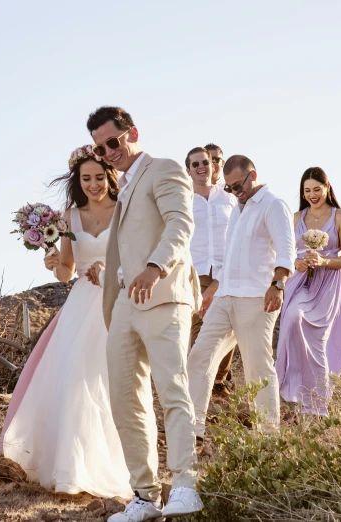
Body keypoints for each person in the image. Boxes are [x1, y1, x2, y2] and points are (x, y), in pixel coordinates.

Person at [85, 106, 203, 521]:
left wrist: (156, 267)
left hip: (164, 294)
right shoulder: (123, 186)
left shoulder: (165, 169)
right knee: (124, 399)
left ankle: (186, 485)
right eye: (101, 149)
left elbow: (180, 224)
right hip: (124, 305)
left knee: (172, 390)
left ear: (132, 132)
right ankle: (145, 495)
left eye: (113, 142)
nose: (108, 152)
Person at [0, 145, 131, 498]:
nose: (93, 185)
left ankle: (105, 464)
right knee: (72, 375)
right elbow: (67, 273)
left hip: (116, 300)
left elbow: (134, 256)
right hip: (81, 303)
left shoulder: (124, 209)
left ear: (110, 176)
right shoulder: (71, 215)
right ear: (78, 180)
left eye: (99, 177)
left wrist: (110, 270)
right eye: (86, 179)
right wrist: (54, 263)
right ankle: (68, 469)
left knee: (104, 380)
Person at [187, 155, 296, 438]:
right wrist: (213, 289)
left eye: (239, 186)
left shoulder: (273, 205)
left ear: (253, 175)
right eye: (230, 188)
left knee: (257, 367)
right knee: (199, 356)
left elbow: (286, 249)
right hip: (226, 296)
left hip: (257, 298)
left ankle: (268, 438)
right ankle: (191, 430)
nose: (236, 192)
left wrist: (279, 283)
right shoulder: (238, 209)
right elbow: (230, 256)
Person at [276, 167, 341, 416]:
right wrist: (296, 264)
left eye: (317, 189)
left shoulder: (339, 216)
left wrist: (323, 261)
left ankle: (318, 403)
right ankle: (292, 387)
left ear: (327, 187)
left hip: (328, 283)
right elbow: (285, 253)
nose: (312, 194)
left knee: (318, 342)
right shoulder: (296, 218)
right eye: (307, 190)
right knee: (292, 319)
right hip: (299, 281)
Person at [185, 146, 237, 394]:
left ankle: (218, 381)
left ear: (213, 165)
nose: (201, 167)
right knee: (200, 324)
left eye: (205, 162)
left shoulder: (229, 198)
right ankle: (195, 381)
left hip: (229, 270)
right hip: (198, 271)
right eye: (195, 164)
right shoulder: (183, 200)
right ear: (188, 170)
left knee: (230, 325)